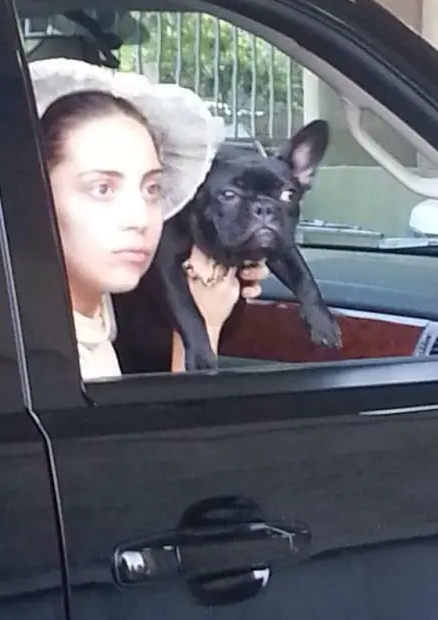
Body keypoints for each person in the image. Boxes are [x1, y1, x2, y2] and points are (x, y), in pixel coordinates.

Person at [32, 59, 268, 380]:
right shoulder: (31, 360)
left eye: (151, 188)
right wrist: (203, 327)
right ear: (30, 193)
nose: (140, 217)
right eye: (102, 188)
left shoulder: (98, 312)